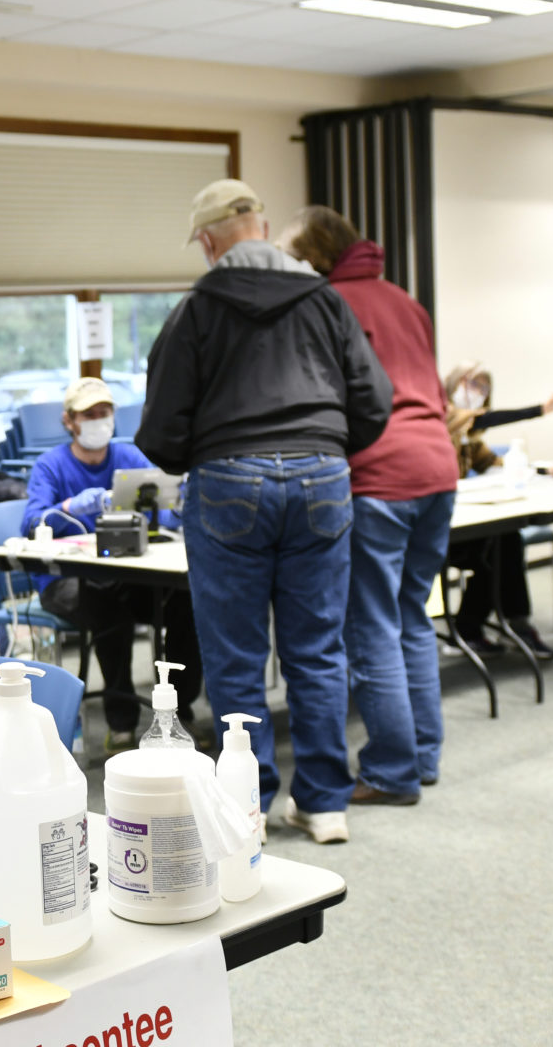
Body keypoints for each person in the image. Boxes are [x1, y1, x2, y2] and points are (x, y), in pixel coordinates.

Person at [138, 179, 392, 844]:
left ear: (208, 239)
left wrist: (211, 451)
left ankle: (245, 811)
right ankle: (325, 804)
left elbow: (161, 428)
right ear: (263, 224)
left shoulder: (195, 309)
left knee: (236, 659)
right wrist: (324, 449)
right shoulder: (324, 297)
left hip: (228, 480)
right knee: (317, 651)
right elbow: (374, 400)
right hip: (322, 477)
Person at [282, 206, 455, 804]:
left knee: (372, 625)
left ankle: (390, 771)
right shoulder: (404, 299)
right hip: (437, 467)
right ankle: (422, 756)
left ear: (315, 257)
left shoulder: (329, 304)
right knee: (411, 615)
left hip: (379, 474)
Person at [18, 374, 201, 749]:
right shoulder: (51, 466)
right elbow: (31, 522)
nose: (99, 420)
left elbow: (159, 506)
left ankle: (179, 709)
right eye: (89, 414)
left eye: (105, 412)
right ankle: (122, 722)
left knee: (184, 602)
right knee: (108, 615)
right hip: (65, 580)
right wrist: (70, 507)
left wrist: (175, 510)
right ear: (69, 421)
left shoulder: (127, 457)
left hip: (128, 573)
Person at [441, 366, 553, 661]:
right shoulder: (444, 418)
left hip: (462, 521)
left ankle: (496, 626)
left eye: (484, 387)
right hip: (438, 531)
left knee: (505, 539)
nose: (478, 392)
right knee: (498, 548)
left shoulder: (469, 438)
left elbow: (497, 462)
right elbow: (482, 418)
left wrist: (544, 469)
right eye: (472, 384)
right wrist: (541, 409)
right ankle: (481, 628)